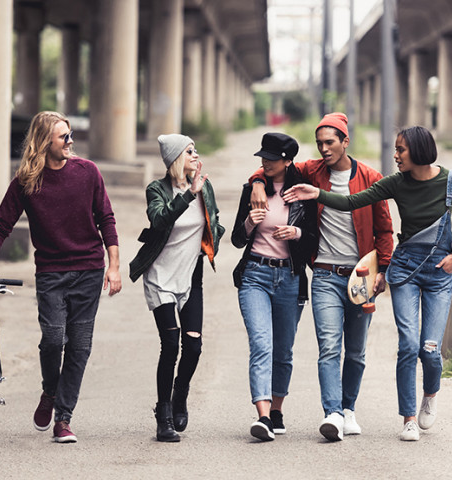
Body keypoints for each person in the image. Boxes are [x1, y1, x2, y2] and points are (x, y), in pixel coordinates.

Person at [283, 125, 452, 442]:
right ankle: (408, 418)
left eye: (401, 150)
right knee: (408, 345)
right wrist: (317, 193)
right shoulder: (396, 183)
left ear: (418, 150)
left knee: (429, 349)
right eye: (395, 150)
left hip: (440, 270)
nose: (396, 156)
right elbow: (351, 202)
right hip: (405, 269)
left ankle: (430, 393)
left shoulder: (451, 181)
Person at [0, 111, 122, 444]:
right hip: (51, 273)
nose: (70, 141)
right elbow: (1, 226)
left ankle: (63, 419)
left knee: (79, 347)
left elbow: (106, 219)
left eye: (70, 135)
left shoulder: (88, 172)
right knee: (53, 340)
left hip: (89, 271)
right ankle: (50, 391)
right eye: (63, 136)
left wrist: (114, 265)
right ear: (44, 142)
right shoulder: (27, 181)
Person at [249, 113, 394, 442]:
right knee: (329, 347)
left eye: (331, 142)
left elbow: (385, 229)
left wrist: (383, 269)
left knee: (355, 352)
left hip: (360, 276)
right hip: (326, 275)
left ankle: (349, 409)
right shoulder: (312, 170)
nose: (324, 149)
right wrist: (257, 182)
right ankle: (332, 413)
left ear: (345, 142)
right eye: (320, 143)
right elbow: (273, 167)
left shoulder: (371, 177)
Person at [129, 134, 224, 442]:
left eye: (196, 150)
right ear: (176, 159)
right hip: (160, 277)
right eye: (190, 151)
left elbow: (215, 220)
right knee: (170, 346)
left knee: (193, 348)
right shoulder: (157, 190)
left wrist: (214, 240)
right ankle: (164, 414)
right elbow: (159, 220)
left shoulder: (204, 187)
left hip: (191, 277)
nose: (196, 155)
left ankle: (179, 393)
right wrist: (188, 194)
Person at [232, 132, 319, 441]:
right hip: (255, 274)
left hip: (290, 278)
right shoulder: (253, 190)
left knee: (283, 351)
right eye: (263, 157)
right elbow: (237, 239)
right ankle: (263, 416)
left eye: (272, 157)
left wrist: (295, 233)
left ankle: (278, 409)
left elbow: (313, 239)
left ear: (287, 161)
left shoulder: (302, 193)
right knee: (261, 345)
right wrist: (249, 224)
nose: (265, 162)